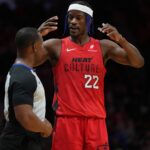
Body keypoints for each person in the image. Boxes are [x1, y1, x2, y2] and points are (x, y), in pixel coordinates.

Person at [37, 1, 144, 150]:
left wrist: (121, 40)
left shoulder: (104, 47)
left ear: (88, 21)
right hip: (67, 121)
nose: (73, 22)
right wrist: (37, 36)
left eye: (78, 18)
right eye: (70, 18)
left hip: (96, 121)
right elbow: (28, 60)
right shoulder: (56, 45)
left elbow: (138, 62)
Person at [0, 27, 53, 150]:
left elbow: (26, 42)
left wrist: (36, 34)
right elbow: (25, 117)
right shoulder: (23, 76)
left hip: (23, 139)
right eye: (41, 45)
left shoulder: (20, 69)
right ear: (34, 47)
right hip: (19, 141)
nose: (43, 50)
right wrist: (45, 127)